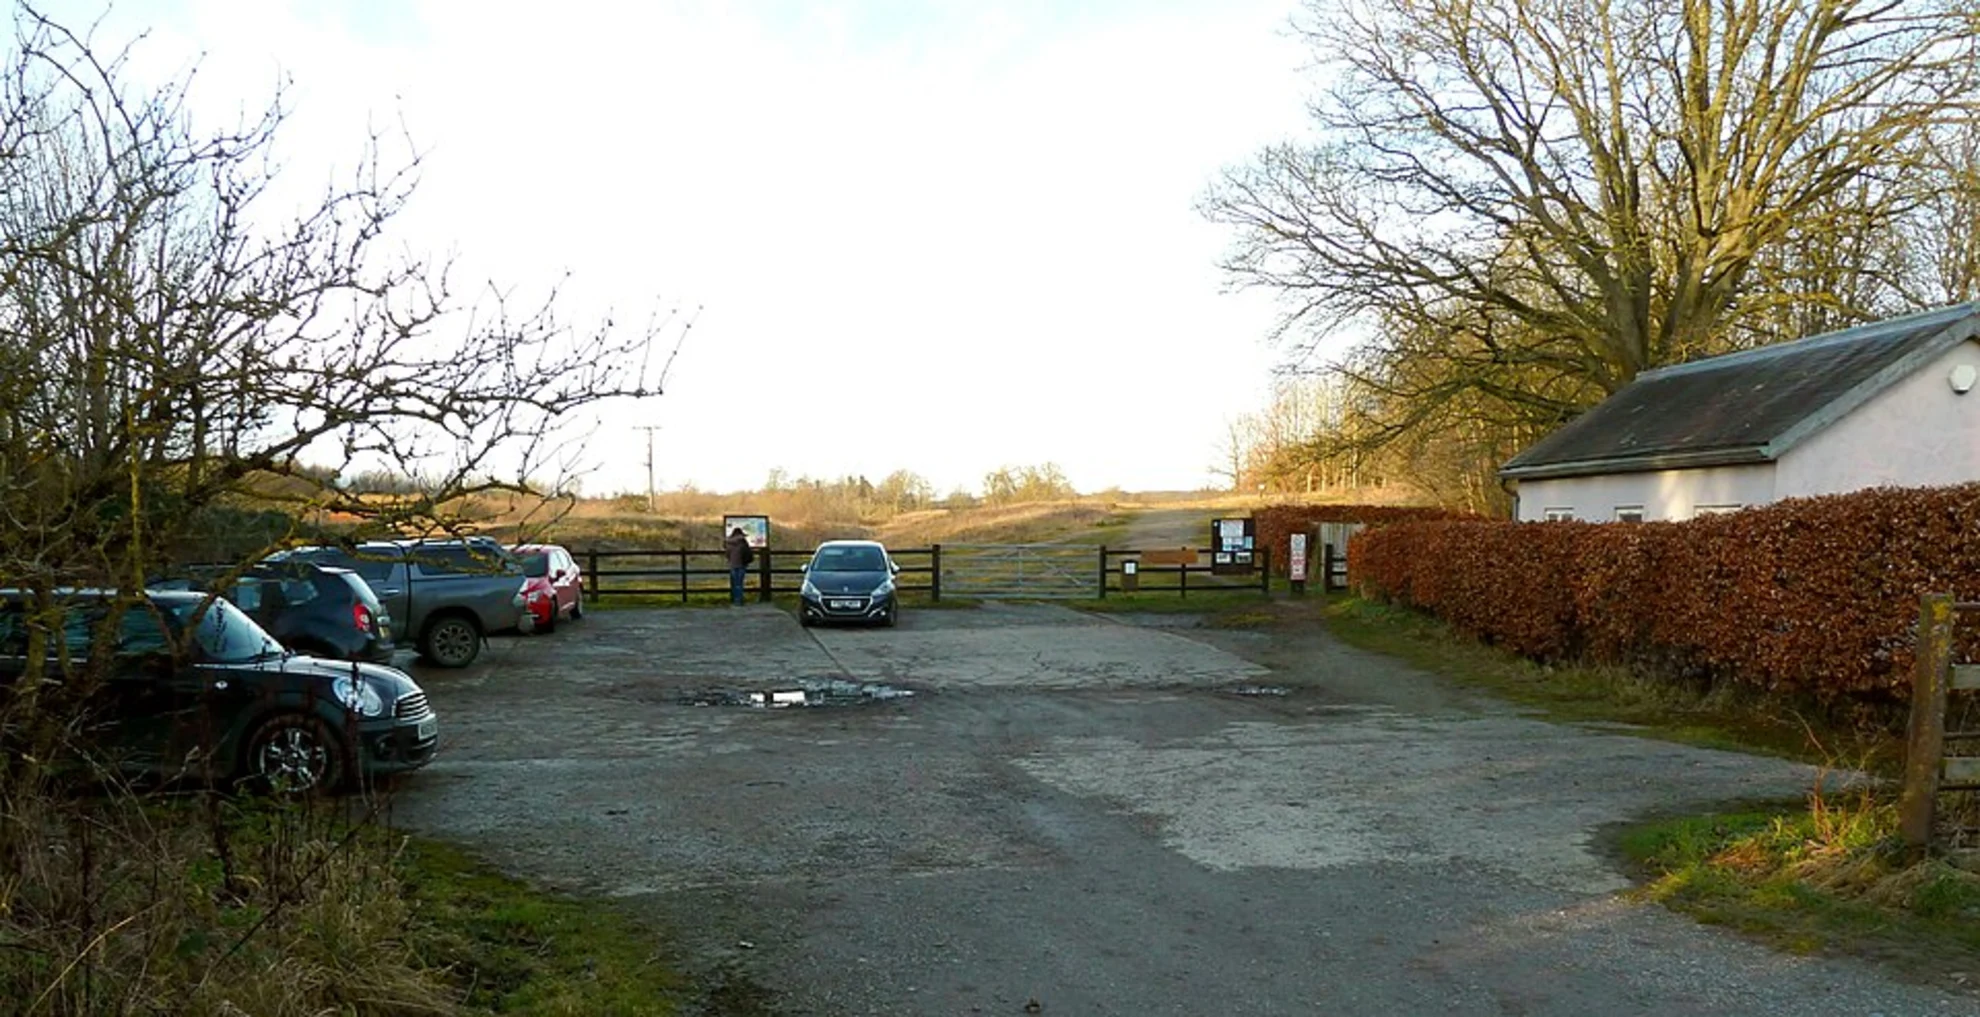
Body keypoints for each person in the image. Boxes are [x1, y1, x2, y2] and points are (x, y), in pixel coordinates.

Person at [724, 526, 754, 605]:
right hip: (741, 564)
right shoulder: (743, 543)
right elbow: (748, 553)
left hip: (733, 565)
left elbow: (727, 554)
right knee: (739, 583)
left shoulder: (729, 543)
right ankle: (739, 600)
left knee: (734, 583)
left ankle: (734, 599)